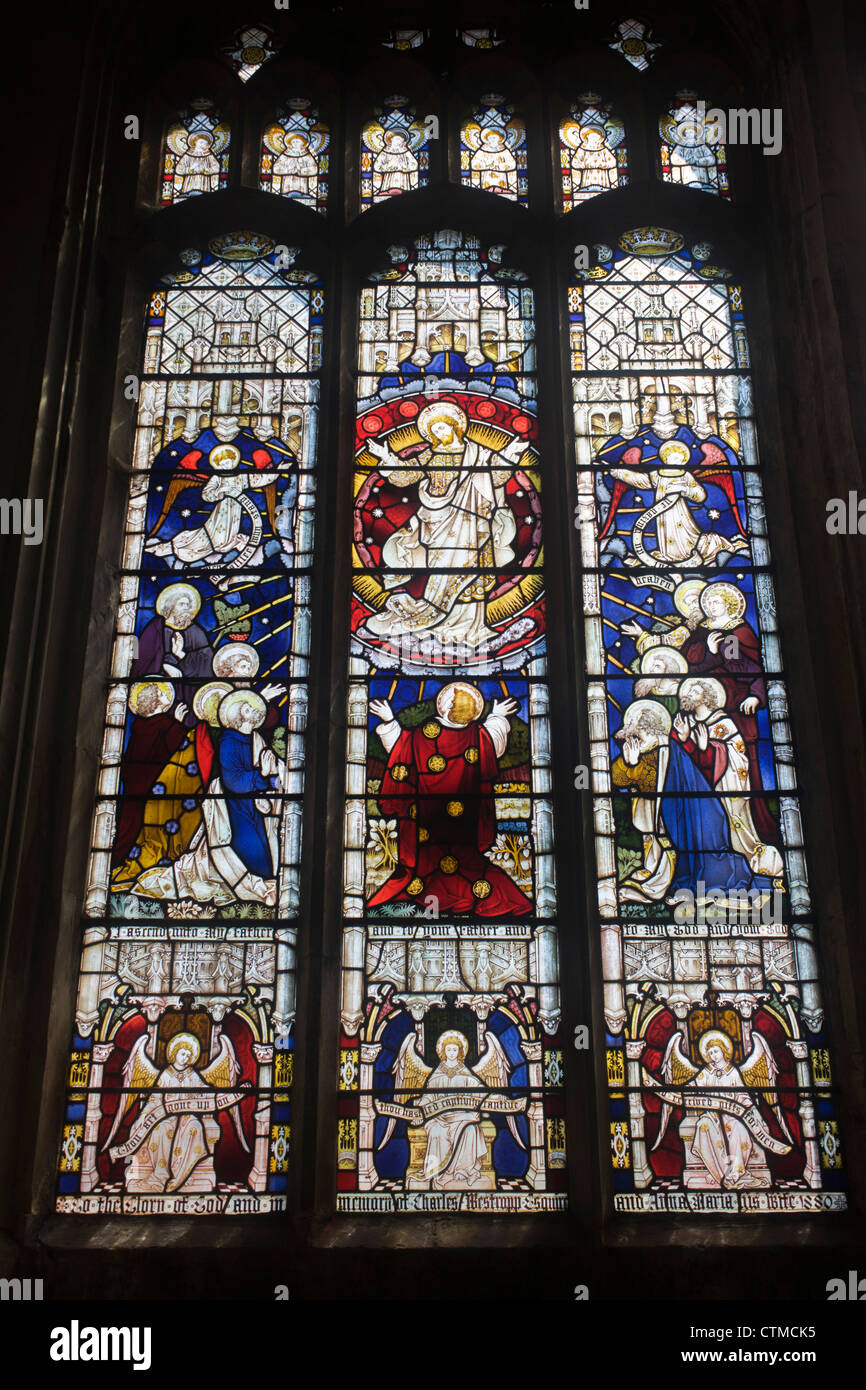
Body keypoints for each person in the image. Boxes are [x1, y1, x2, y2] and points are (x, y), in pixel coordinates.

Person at [364, 401, 527, 649]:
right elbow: (405, 475)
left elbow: (497, 477)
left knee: (473, 574)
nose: (440, 434)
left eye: (443, 428)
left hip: (473, 524)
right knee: (441, 573)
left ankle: (472, 627)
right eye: (435, 431)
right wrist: (385, 456)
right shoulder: (430, 455)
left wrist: (510, 454)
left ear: (454, 427)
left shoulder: (479, 454)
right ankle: (440, 624)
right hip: (437, 523)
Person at [368, 681, 531, 916]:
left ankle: (431, 896)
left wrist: (389, 721)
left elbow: (401, 749)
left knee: (441, 861)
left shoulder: (434, 734)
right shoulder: (475, 734)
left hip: (436, 818)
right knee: (465, 862)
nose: (464, 712)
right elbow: (492, 746)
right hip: (454, 818)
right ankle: (459, 895)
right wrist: (496, 715)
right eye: (463, 707)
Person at [105, 1032, 246, 1195]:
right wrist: (144, 1117)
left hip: (187, 1117)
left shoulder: (193, 1076)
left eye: (188, 1055)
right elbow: (154, 1099)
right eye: (182, 1053)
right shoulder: (165, 1075)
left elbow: (206, 1093)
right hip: (165, 1118)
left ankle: (180, 1177)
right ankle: (160, 1177)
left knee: (195, 1127)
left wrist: (231, 1095)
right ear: (175, 1053)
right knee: (162, 1129)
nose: (185, 1057)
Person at [608, 439, 747, 567]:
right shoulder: (657, 474)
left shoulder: (685, 475)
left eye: (681, 460)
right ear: (666, 458)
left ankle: (688, 554)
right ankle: (670, 555)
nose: (679, 462)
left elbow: (700, 494)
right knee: (666, 535)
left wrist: (685, 490)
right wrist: (618, 473)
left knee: (687, 535)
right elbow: (639, 480)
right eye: (676, 458)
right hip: (663, 515)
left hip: (680, 513)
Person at [372, 130, 418, 198]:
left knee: (405, 196)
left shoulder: (406, 152)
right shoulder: (385, 152)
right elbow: (376, 166)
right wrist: (389, 167)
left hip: (403, 181)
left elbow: (414, 165)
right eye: (397, 139)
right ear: (391, 140)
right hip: (388, 182)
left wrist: (404, 168)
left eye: (401, 140)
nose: (398, 142)